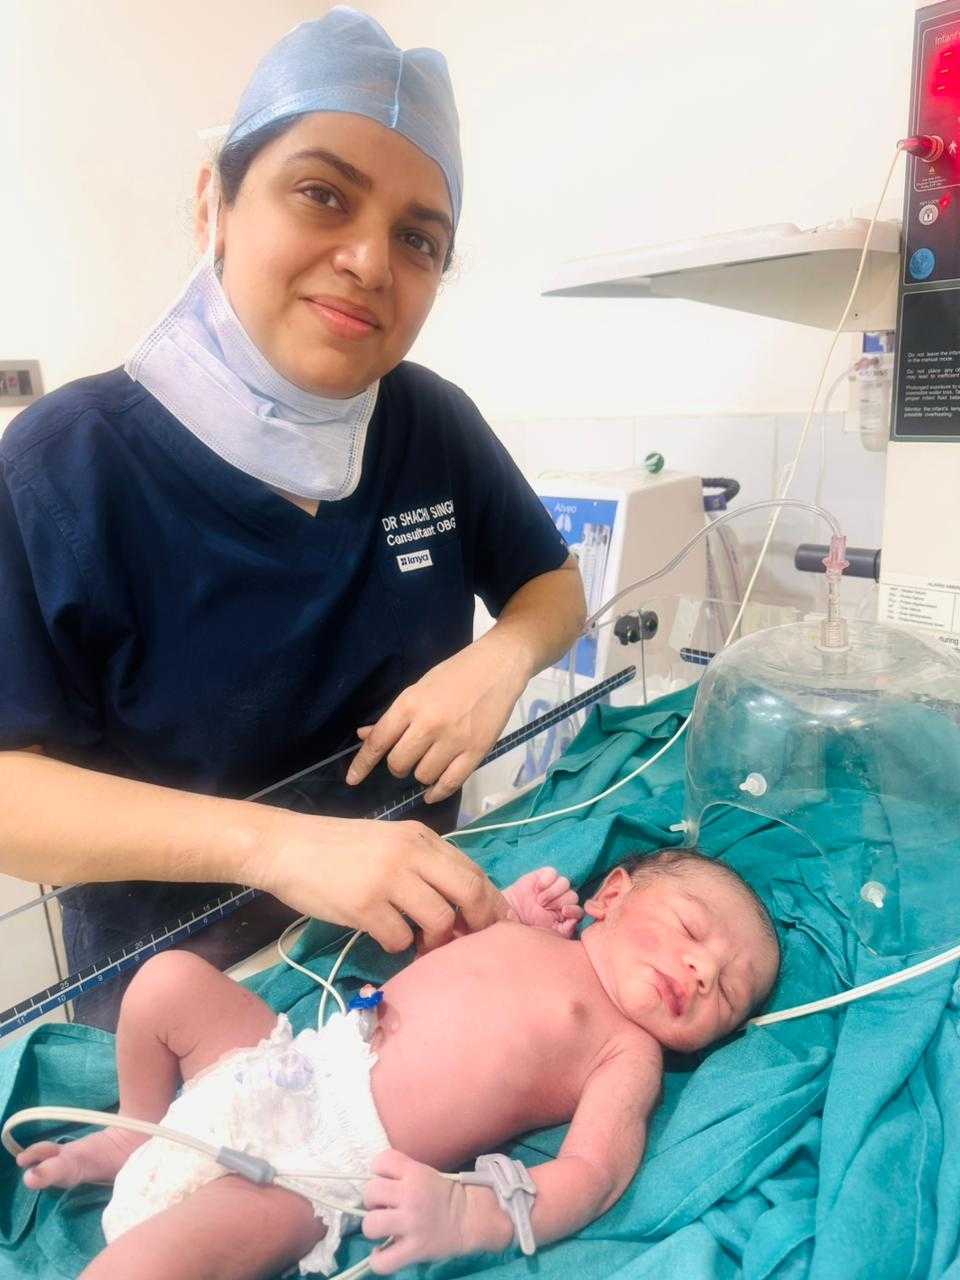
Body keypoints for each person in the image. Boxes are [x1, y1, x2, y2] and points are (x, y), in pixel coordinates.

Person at [0, 8, 586, 1026]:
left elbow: (553, 585)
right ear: (215, 203)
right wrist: (280, 847)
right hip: (181, 1008)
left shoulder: (429, 422)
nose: (370, 261)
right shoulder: (64, 466)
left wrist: (500, 660)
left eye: (418, 239)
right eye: (323, 194)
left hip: (418, 956)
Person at [15, 849, 781, 1279]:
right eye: (691, 929)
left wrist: (471, 1216)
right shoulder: (531, 934)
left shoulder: (628, 1051)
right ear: (611, 895)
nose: (703, 972)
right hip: (294, 1058)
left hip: (323, 1168)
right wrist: (505, 916)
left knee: (144, 1268)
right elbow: (436, 965)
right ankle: (137, 1128)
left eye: (729, 992)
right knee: (165, 982)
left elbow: (594, 1174)